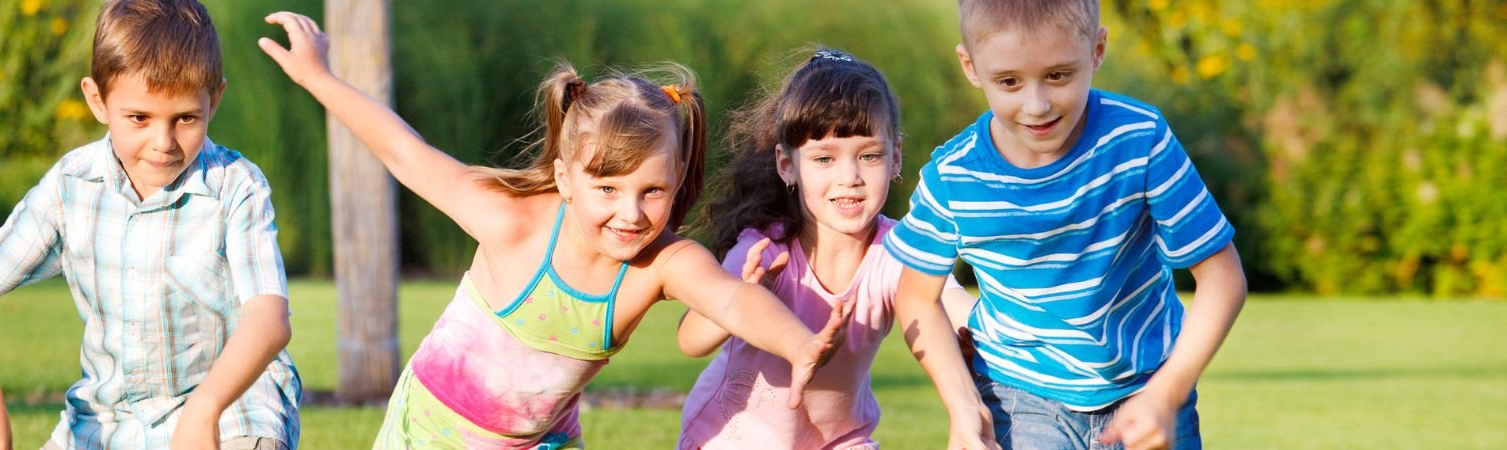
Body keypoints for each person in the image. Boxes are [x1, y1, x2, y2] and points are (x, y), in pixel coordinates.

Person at [258, 11, 849, 449]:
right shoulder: (513, 223)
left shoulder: (661, 264)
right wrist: (316, 77)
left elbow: (730, 298)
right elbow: (404, 151)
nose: (631, 213)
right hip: (433, 434)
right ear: (565, 180)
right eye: (607, 189)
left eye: (653, 191)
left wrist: (799, 344)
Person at [883, 1, 1248, 449]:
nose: (1036, 105)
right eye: (1009, 82)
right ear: (970, 66)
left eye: (1058, 75)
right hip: (1020, 397)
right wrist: (962, 405)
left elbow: (1223, 278)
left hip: (1150, 386)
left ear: (1096, 50)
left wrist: (1166, 393)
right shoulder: (954, 176)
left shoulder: (1139, 138)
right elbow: (916, 297)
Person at [0, 1, 299, 448]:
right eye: (139, 118)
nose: (163, 143)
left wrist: (204, 409)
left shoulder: (237, 187)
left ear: (215, 99)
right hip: (108, 422)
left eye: (186, 118)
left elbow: (269, 320)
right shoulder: (71, 186)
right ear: (97, 100)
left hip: (232, 411)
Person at [674, 48, 977, 450]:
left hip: (841, 441)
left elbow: (951, 305)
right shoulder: (765, 249)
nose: (849, 177)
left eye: (869, 156)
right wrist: (737, 301)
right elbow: (690, 340)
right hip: (731, 437)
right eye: (824, 159)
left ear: (896, 157)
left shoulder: (898, 249)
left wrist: (982, 333)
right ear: (787, 165)